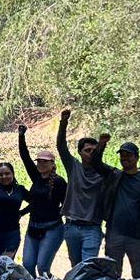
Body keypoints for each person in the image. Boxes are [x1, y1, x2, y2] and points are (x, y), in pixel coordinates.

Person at [56, 109, 115, 268]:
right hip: (71, 226)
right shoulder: (73, 167)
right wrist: (63, 122)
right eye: (87, 150)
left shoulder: (105, 172)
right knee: (75, 268)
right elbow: (61, 147)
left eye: (93, 151)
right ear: (80, 153)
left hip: (92, 228)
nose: (90, 154)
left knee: (87, 268)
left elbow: (127, 174)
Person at [102, 141, 140, 279]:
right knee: (112, 275)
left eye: (128, 155)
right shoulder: (114, 175)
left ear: (137, 157)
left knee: (139, 277)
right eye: (122, 155)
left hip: (138, 235)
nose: (124, 158)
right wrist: (102, 144)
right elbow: (95, 162)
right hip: (115, 233)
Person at [17, 125, 67, 277]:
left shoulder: (59, 182)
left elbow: (66, 205)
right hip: (33, 227)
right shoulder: (36, 177)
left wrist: (54, 214)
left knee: (43, 267)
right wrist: (21, 136)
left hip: (52, 229)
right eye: (39, 161)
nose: (41, 164)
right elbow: (25, 156)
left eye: (45, 162)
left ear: (52, 164)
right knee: (27, 265)